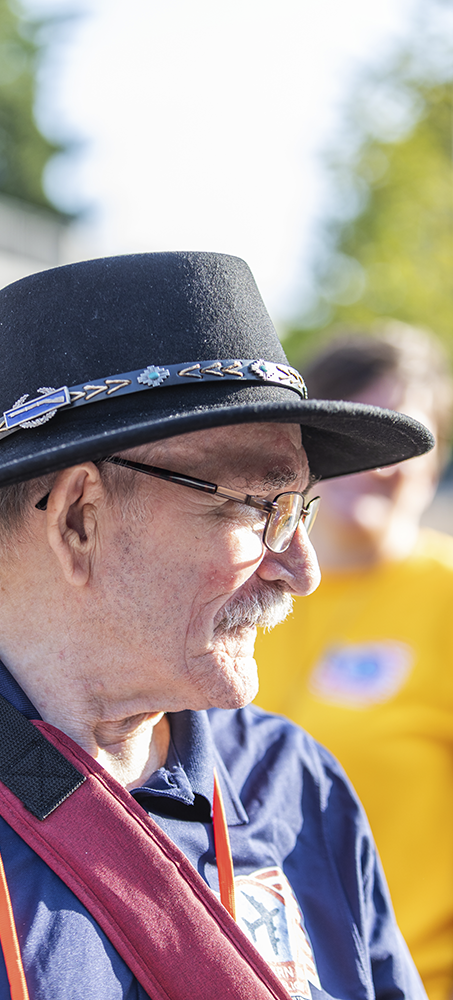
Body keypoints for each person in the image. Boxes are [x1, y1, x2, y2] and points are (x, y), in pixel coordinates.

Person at [0, 254, 433, 1000]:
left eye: (301, 508)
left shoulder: (296, 788)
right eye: (260, 508)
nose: (301, 569)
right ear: (77, 520)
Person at [255, 323, 453, 1000]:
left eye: (398, 439)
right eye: (352, 436)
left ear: (436, 457)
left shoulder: (444, 602)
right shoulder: (234, 598)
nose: (372, 463)